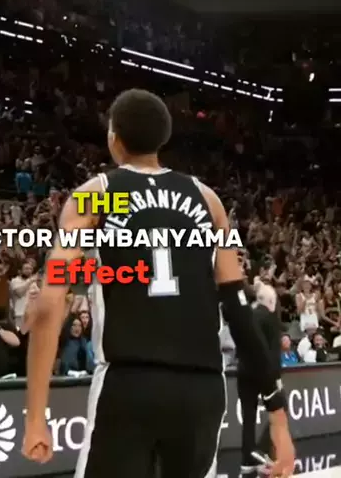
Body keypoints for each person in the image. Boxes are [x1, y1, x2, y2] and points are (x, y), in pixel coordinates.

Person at [22, 89, 295, 478]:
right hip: (202, 390)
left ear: (114, 137)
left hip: (129, 383)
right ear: (162, 139)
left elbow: (51, 302)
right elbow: (238, 309)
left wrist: (36, 415)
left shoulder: (99, 195)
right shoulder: (208, 201)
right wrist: (278, 418)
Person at [238, 281, 283, 475]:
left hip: (243, 370)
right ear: (271, 301)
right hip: (263, 372)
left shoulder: (248, 314)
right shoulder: (270, 318)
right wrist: (277, 378)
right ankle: (263, 452)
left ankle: (248, 459)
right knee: (280, 409)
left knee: (248, 416)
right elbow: (273, 352)